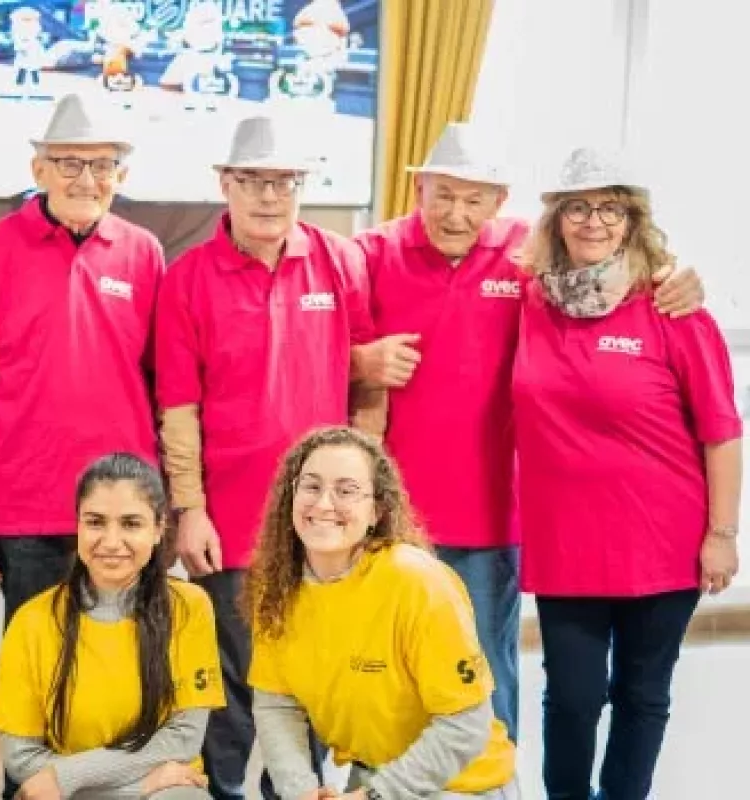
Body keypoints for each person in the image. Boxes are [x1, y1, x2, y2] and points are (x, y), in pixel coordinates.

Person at [350, 123, 706, 741]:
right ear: (420, 192)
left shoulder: (529, 260)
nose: (457, 214)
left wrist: (678, 276)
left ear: (498, 201)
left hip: (491, 511)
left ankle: (493, 785)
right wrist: (361, 363)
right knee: (389, 668)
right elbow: (311, 341)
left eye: (474, 199)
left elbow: (615, 268)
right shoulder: (372, 254)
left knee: (484, 667)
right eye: (444, 195)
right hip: (395, 512)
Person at [154, 115, 376, 800]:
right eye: (252, 179)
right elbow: (180, 411)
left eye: (284, 180)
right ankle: (227, 792)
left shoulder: (341, 263)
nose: (269, 195)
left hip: (326, 521)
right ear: (225, 182)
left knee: (312, 681)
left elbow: (367, 382)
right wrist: (189, 510)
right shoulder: (187, 279)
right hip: (232, 518)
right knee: (237, 681)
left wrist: (366, 495)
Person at [512, 147, 743, 800]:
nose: (594, 221)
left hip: (662, 541)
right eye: (578, 207)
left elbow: (722, 431)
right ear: (556, 219)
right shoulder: (529, 301)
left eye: (610, 208)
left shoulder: (673, 308)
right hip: (567, 545)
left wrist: (721, 533)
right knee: (574, 696)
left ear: (632, 220)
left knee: (642, 693)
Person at [0, 92, 163, 621]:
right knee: (36, 662)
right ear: (39, 169)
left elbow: (162, 387)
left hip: (126, 499)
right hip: (27, 498)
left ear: (121, 174)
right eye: (69, 163)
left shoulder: (144, 252)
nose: (87, 179)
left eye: (102, 165)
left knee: (129, 662)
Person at [246, 427, 521, 800]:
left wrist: (376, 795)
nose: (324, 504)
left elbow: (467, 724)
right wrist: (301, 792)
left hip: (462, 786)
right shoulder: (276, 589)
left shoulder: (416, 583)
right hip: (373, 777)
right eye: (311, 486)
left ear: (375, 510)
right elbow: (276, 703)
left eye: (346, 491)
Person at [0, 453, 224, 800]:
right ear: (78, 525)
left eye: (131, 524)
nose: (111, 542)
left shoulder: (190, 607)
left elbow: (183, 739)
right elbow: (21, 758)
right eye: (96, 522)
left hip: (156, 792)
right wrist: (134, 784)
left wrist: (68, 776)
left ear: (159, 529)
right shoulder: (32, 620)